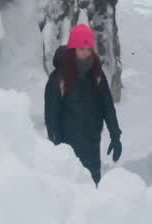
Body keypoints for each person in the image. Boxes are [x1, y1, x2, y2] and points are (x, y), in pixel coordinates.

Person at [44, 24, 122, 184]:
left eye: (88, 49)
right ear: (73, 49)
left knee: (92, 188)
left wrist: (115, 135)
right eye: (81, 49)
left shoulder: (97, 74)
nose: (85, 53)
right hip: (68, 149)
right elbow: (51, 116)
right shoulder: (59, 78)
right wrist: (57, 148)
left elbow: (107, 107)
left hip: (92, 144)